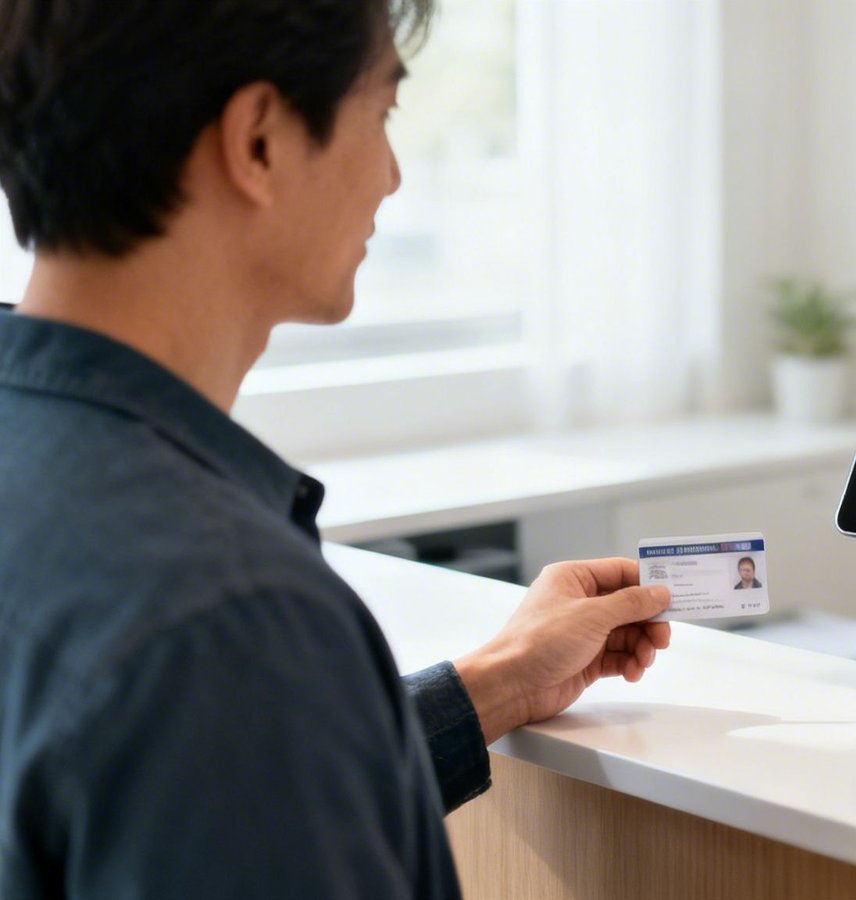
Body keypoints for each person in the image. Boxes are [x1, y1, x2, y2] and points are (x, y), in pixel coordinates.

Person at [0, 1, 672, 895]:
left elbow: (209, 792)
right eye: (382, 112)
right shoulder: (228, 620)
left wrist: (499, 683)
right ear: (260, 141)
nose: (393, 177)